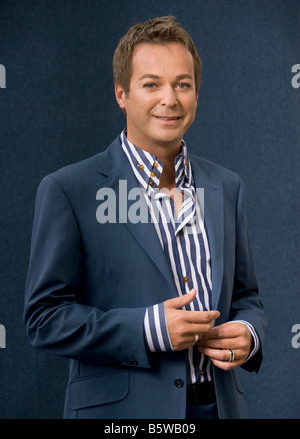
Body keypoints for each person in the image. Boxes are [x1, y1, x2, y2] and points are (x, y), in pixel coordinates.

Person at [24, 16, 267, 419]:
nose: (169, 99)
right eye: (151, 84)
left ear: (196, 92)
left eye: (182, 84)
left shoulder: (226, 186)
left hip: (220, 408)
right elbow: (45, 318)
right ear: (122, 93)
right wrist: (148, 329)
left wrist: (249, 334)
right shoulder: (70, 189)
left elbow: (246, 297)